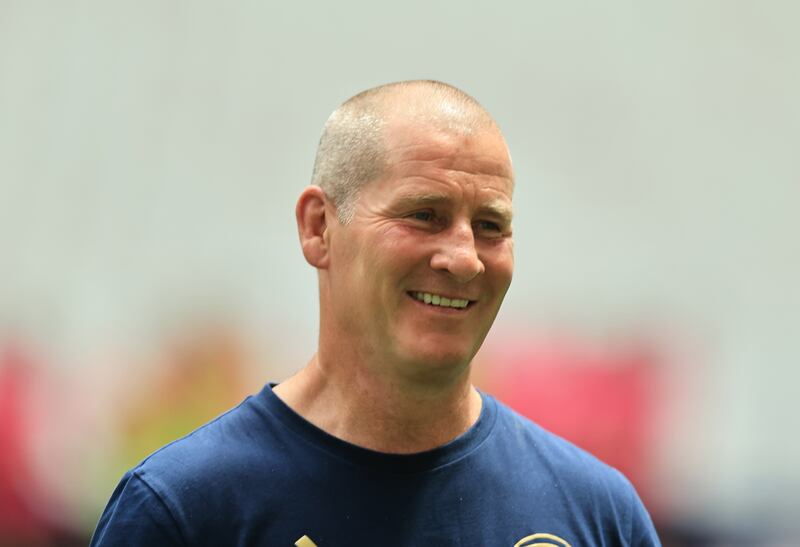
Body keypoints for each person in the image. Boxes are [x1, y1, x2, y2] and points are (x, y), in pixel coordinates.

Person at [91, 80, 661, 546]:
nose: (464, 259)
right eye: (423, 214)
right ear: (318, 228)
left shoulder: (597, 516)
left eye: (490, 226)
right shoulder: (184, 512)